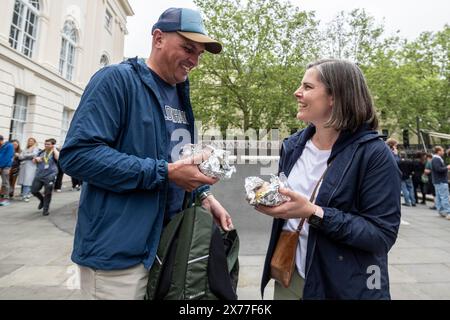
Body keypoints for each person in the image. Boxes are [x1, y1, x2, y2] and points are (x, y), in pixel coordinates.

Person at [59, 8, 233, 300]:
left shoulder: (179, 93)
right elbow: (78, 156)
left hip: (166, 249)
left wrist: (204, 195)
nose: (194, 60)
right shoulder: (115, 80)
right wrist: (164, 173)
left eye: (200, 53)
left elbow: (176, 157)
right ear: (158, 38)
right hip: (119, 256)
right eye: (188, 48)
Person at [256, 59, 401, 299]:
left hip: (343, 286)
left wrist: (313, 212)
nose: (297, 92)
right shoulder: (292, 146)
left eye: (308, 87)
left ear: (335, 97)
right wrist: (272, 200)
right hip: (289, 276)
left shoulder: (375, 155)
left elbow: (380, 235)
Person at [31, 138, 59, 216]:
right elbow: (33, 161)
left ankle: (45, 210)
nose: (46, 145)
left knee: (48, 192)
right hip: (39, 175)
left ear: (52, 145)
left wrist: (54, 149)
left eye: (48, 144)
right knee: (33, 190)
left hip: (50, 175)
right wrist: (36, 159)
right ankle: (42, 200)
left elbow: (58, 158)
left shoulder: (54, 152)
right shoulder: (41, 152)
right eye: (45, 144)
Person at [431, 146, 450, 219]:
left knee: (439, 197)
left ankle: (441, 211)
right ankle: (448, 212)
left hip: (437, 180)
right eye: (442, 151)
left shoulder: (435, 159)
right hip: (441, 180)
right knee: (444, 197)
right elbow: (439, 169)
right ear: (438, 151)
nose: (443, 152)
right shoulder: (437, 159)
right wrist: (447, 167)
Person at [18, 137, 39, 202]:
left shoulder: (35, 148)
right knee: (23, 181)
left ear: (34, 142)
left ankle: (26, 195)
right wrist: (26, 155)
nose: (30, 142)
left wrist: (24, 155)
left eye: (31, 141)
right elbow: (20, 157)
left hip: (31, 166)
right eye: (29, 141)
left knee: (28, 180)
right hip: (24, 166)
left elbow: (34, 154)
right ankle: (24, 194)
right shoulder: (25, 148)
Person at [0, 135, 14, 206]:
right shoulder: (1, 146)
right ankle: (2, 197)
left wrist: (1, 166)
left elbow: (8, 157)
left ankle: (6, 199)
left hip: (5, 167)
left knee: (5, 183)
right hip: (1, 166)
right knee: (3, 183)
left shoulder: (9, 146)